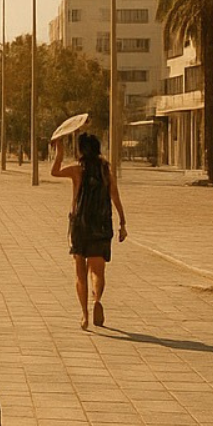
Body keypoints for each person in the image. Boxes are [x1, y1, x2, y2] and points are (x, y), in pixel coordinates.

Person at [51, 131, 126, 330]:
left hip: (80, 225)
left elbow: (55, 171)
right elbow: (115, 197)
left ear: (81, 149)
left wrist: (59, 149)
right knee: (97, 271)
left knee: (79, 272)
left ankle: (84, 315)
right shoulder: (105, 171)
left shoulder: (77, 169)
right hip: (101, 225)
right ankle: (97, 300)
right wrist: (123, 223)